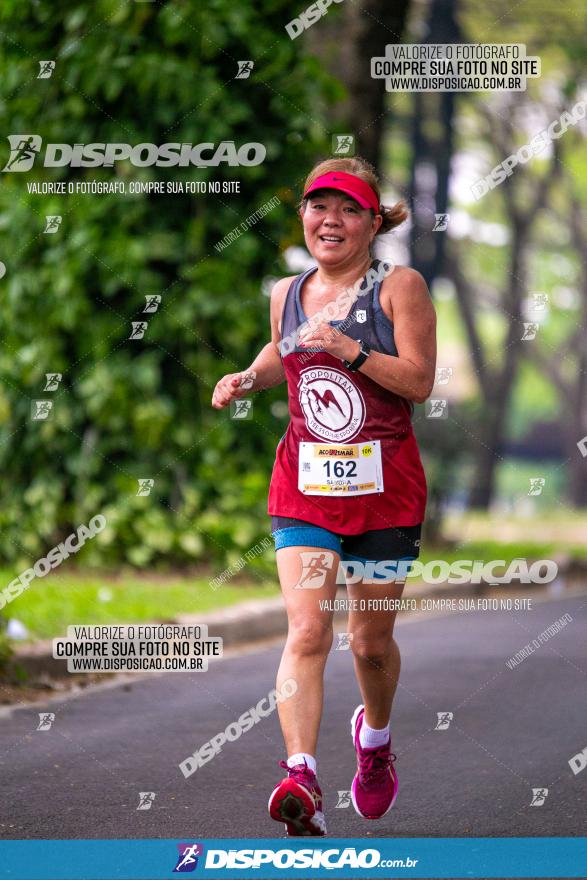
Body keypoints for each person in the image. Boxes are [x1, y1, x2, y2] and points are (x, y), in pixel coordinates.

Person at [211, 156, 437, 836]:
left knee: (369, 645)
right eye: (317, 206)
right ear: (304, 217)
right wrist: (245, 380)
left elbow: (420, 383)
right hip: (304, 486)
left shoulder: (400, 287)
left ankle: (373, 744)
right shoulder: (287, 289)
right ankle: (300, 775)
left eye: (346, 208)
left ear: (373, 221)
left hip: (385, 492)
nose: (328, 220)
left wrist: (350, 350)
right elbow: (278, 354)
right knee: (307, 630)